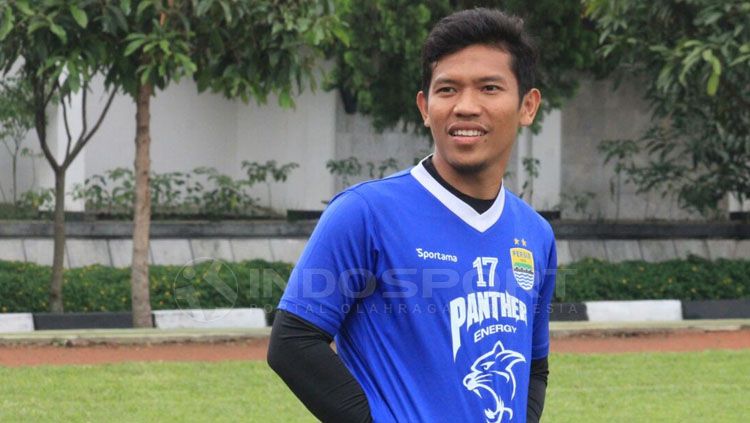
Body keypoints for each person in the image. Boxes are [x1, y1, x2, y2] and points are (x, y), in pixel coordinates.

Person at [268, 8, 555, 423]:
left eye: (489, 88)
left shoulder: (536, 234)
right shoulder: (365, 213)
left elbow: (534, 366)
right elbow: (293, 342)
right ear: (425, 106)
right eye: (447, 90)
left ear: (527, 106)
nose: (466, 106)